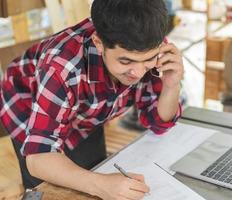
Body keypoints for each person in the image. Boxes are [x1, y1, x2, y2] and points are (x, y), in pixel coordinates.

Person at [0, 0, 183, 199]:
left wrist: (172, 85)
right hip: (28, 103)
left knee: (95, 172)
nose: (138, 73)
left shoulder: (150, 43)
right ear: (98, 42)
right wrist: (100, 184)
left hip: (85, 116)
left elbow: (158, 122)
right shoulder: (61, 67)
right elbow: (38, 158)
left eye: (148, 60)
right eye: (125, 61)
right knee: (49, 189)